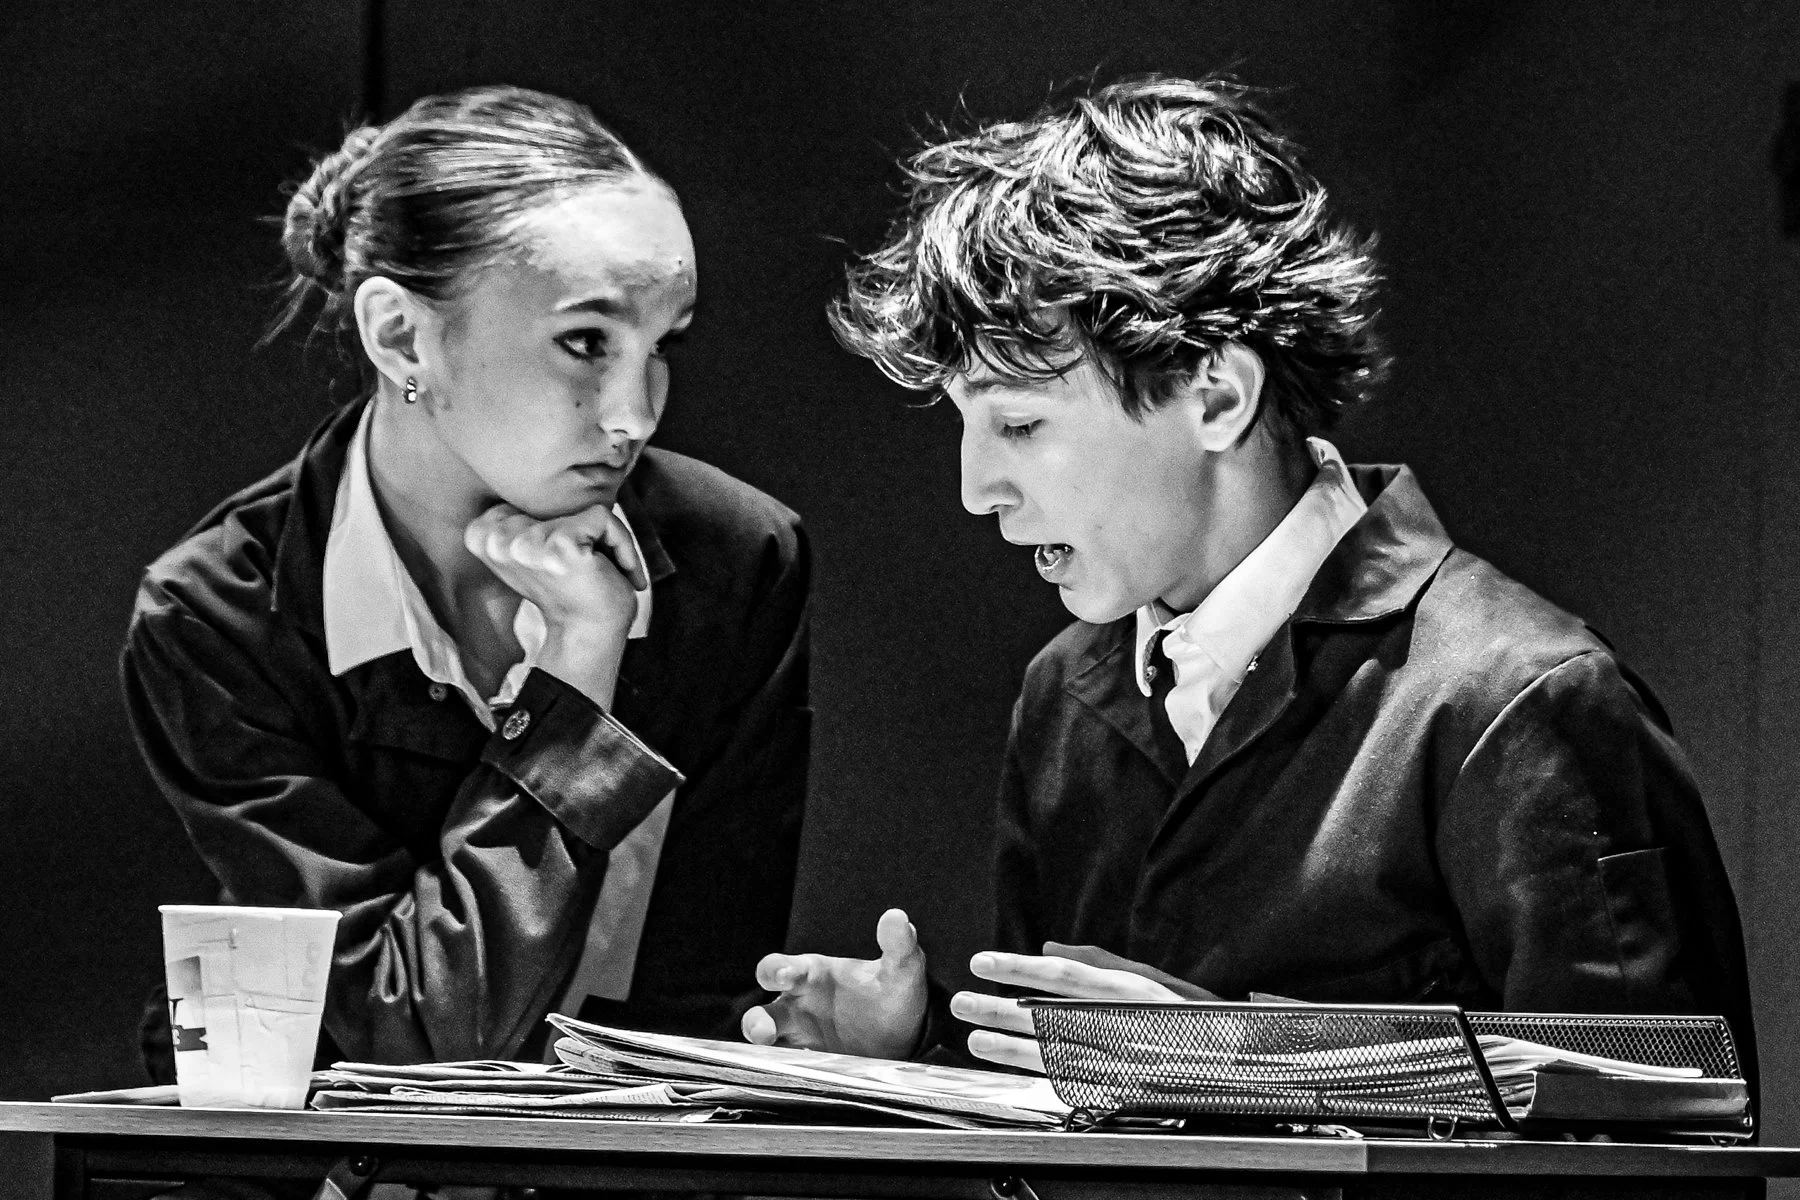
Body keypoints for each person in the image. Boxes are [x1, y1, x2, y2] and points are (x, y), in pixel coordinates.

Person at [743, 75, 1755, 1081]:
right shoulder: (1065, 694)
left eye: (1019, 421)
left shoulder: (1520, 694)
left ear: (1217, 396)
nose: (975, 491)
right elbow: (1080, 1099)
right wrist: (914, 1052)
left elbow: (1659, 1117)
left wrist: (1236, 1055)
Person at [122, 86, 810, 1070]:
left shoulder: (736, 558)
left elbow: (705, 1006)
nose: (635, 414)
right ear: (402, 336)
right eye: (586, 341)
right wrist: (575, 669)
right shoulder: (216, 617)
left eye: (662, 345)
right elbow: (412, 1034)